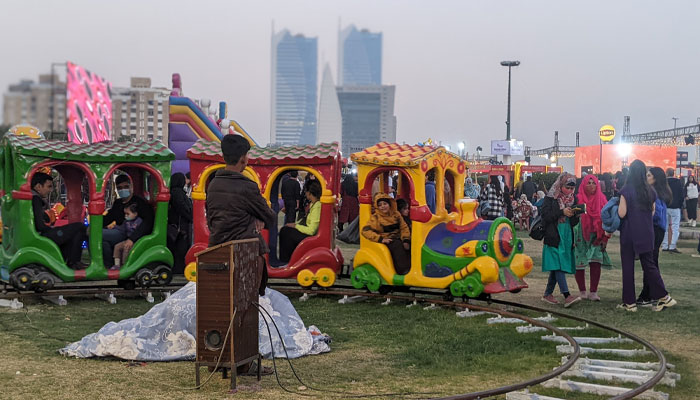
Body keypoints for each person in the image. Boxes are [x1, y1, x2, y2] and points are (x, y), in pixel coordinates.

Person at [617, 160, 676, 312]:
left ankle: (629, 302)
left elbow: (622, 213)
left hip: (630, 231)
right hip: (647, 231)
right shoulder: (650, 191)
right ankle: (664, 297)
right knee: (649, 265)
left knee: (628, 266)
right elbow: (652, 212)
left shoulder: (626, 190)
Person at [540, 173, 581, 308]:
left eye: (572, 189)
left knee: (558, 265)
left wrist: (575, 214)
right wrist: (562, 212)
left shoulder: (572, 199)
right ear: (560, 185)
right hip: (554, 234)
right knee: (558, 264)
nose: (570, 191)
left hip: (566, 234)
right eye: (567, 188)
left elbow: (573, 222)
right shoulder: (551, 198)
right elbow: (546, 216)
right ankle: (567, 295)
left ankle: (547, 294)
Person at [31, 172, 87, 269]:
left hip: (36, 233)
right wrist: (53, 229)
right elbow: (39, 225)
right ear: (38, 186)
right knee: (79, 226)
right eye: (48, 186)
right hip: (39, 235)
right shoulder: (35, 199)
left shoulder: (32, 198)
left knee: (73, 231)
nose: (50, 190)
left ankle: (71, 260)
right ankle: (73, 262)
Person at [573, 174, 612, 302]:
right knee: (579, 263)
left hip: (597, 235)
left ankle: (593, 291)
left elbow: (608, 220)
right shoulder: (577, 199)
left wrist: (605, 237)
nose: (591, 185)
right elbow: (572, 218)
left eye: (593, 183)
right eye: (588, 183)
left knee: (596, 262)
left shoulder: (602, 199)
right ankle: (582, 291)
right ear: (583, 185)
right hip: (580, 235)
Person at [637, 167, 672, 306]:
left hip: (654, 229)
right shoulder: (661, 192)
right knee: (651, 262)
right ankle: (652, 293)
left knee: (649, 263)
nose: (647, 177)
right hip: (658, 229)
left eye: (649, 175)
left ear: (655, 178)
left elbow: (656, 214)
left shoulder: (654, 193)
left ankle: (650, 294)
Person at [103, 174, 154, 268]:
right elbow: (109, 218)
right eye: (120, 188)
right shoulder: (118, 203)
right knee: (102, 242)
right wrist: (96, 224)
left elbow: (147, 222)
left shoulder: (139, 202)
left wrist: (132, 239)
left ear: (131, 186)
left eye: (126, 187)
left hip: (129, 233)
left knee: (96, 234)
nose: (123, 190)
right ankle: (109, 266)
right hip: (119, 231)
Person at [362, 193, 411, 275]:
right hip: (386, 240)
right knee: (397, 245)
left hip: (397, 237)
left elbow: (404, 227)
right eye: (380, 205)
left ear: (390, 204)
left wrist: (406, 239)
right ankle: (403, 270)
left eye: (385, 204)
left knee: (410, 245)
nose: (383, 206)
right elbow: (365, 231)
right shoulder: (376, 218)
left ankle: (411, 266)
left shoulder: (396, 215)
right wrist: (381, 239)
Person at [278, 180, 322, 262]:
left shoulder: (318, 206)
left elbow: (311, 230)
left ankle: (286, 261)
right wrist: (294, 224)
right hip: (308, 232)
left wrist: (296, 226)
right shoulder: (313, 204)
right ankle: (285, 260)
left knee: (286, 233)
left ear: (309, 193)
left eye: (305, 192)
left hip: (311, 236)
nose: (305, 194)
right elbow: (304, 220)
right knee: (285, 229)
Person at [167, 172, 192, 274]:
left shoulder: (173, 192)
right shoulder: (177, 193)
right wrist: (191, 216)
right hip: (180, 226)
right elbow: (182, 208)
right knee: (180, 248)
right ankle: (179, 269)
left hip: (174, 225)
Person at [112, 204, 143, 269]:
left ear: (135, 214)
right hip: (127, 240)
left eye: (128, 214)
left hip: (136, 241)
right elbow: (122, 229)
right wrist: (114, 227)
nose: (126, 215)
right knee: (117, 246)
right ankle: (117, 265)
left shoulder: (139, 222)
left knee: (126, 248)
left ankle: (125, 265)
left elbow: (140, 232)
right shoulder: (126, 222)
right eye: (125, 214)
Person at [662, 168, 684, 253]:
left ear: (666, 173)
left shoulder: (664, 182)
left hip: (666, 207)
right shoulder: (678, 182)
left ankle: (664, 245)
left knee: (665, 227)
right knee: (675, 227)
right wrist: (679, 204)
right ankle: (672, 246)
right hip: (675, 207)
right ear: (673, 173)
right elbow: (681, 195)